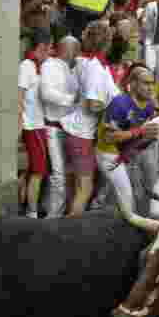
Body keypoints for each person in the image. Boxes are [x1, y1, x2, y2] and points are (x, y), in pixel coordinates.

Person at [63, 20, 118, 215]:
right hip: (81, 134)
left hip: (79, 132)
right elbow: (91, 103)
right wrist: (111, 109)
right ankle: (70, 232)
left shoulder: (95, 64)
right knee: (84, 188)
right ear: (107, 42)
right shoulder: (95, 66)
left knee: (76, 187)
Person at [96, 64, 159, 211]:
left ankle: (100, 205)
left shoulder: (149, 106)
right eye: (146, 83)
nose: (150, 88)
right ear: (134, 84)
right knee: (126, 197)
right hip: (109, 154)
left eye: (152, 83)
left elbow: (142, 136)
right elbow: (108, 138)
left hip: (127, 153)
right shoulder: (120, 103)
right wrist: (139, 131)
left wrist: (148, 136)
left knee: (131, 192)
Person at [40, 34, 80, 218]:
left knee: (67, 176)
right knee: (58, 176)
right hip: (53, 128)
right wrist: (72, 101)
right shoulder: (50, 66)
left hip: (70, 130)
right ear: (66, 50)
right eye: (75, 50)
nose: (77, 54)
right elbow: (47, 93)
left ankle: (53, 209)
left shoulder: (72, 70)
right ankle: (52, 217)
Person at [20, 29, 52, 218]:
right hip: (32, 126)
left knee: (34, 170)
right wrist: (20, 126)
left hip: (38, 124)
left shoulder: (39, 66)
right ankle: (31, 213)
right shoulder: (27, 66)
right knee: (39, 172)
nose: (50, 52)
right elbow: (19, 96)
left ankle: (28, 204)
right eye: (49, 48)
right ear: (41, 47)